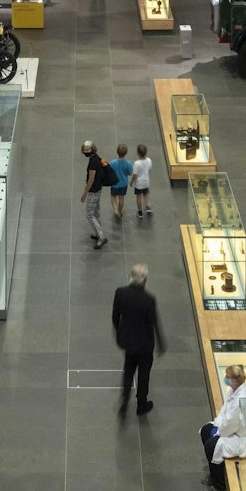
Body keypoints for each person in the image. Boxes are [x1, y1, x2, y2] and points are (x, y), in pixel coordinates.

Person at [200, 364, 246, 491]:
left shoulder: (242, 398)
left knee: (211, 446)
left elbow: (231, 423)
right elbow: (225, 411)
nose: (226, 379)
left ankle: (220, 485)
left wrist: (218, 432)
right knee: (206, 430)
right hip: (231, 429)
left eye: (228, 377)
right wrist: (217, 425)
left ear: (235, 380)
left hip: (243, 438)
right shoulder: (234, 390)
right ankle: (214, 473)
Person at [112, 263, 165, 418]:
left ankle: (124, 400)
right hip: (145, 344)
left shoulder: (120, 293)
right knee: (143, 374)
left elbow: (115, 317)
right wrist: (161, 344)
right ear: (145, 279)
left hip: (128, 342)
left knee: (128, 371)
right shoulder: (149, 299)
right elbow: (154, 323)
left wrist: (120, 333)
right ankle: (141, 404)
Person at [80, 139, 108, 248]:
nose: (86, 151)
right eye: (85, 150)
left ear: (92, 149)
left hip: (93, 191)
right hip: (98, 188)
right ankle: (98, 232)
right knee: (95, 212)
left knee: (90, 214)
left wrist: (84, 193)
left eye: (88, 149)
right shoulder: (96, 157)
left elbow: (91, 179)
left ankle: (101, 237)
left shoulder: (92, 162)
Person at [109, 142, 132, 221]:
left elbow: (109, 171)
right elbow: (130, 173)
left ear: (117, 152)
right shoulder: (128, 163)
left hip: (114, 183)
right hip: (124, 184)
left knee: (113, 197)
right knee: (121, 198)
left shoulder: (113, 162)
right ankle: (119, 211)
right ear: (126, 153)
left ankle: (115, 210)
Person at [130, 143, 152, 219]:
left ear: (138, 153)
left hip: (139, 184)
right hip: (146, 181)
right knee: (146, 194)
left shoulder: (137, 163)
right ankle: (148, 206)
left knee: (138, 197)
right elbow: (149, 170)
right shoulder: (149, 160)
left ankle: (140, 212)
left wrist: (131, 182)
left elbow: (134, 175)